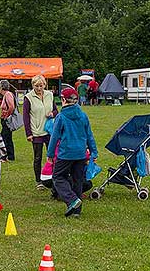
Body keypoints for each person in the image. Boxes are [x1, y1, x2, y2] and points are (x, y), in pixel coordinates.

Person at [47, 88, 98, 217]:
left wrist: (50, 154)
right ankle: (76, 212)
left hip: (66, 154)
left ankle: (72, 200)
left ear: (63, 100)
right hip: (81, 154)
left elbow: (54, 137)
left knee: (58, 177)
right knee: (78, 180)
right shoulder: (83, 115)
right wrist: (94, 152)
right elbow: (89, 135)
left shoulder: (61, 116)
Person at [23, 75, 58, 190]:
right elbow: (25, 117)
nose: (38, 88)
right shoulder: (28, 98)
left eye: (41, 85)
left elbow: (56, 110)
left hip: (49, 131)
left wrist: (52, 113)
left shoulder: (50, 95)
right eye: (36, 86)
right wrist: (28, 133)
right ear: (33, 85)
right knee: (38, 157)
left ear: (44, 85)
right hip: (36, 131)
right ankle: (39, 181)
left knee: (52, 156)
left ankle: (54, 178)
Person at [0, 80, 16, 161]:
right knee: (8, 137)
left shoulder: (7, 94)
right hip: (6, 119)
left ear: (1, 87)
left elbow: (11, 107)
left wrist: (6, 116)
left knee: (4, 137)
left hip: (7, 120)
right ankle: (10, 156)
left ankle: (4, 156)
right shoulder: (6, 94)